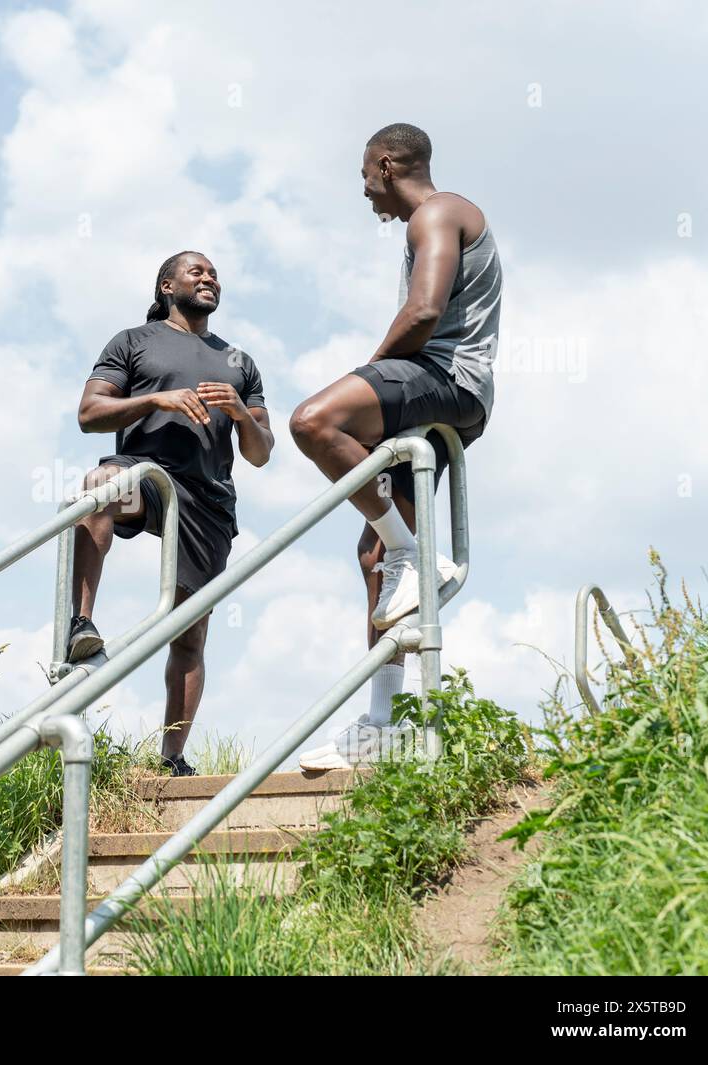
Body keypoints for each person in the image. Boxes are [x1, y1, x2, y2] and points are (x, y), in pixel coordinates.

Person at [293, 123, 502, 770]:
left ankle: (416, 552)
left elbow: (422, 313)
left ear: (387, 164)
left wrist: (369, 373)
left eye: (365, 176)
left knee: (314, 421)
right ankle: (381, 724)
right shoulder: (433, 220)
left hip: (447, 381)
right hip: (442, 392)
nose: (364, 191)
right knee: (374, 553)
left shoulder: (439, 213)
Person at [69, 251, 273, 776]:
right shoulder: (132, 341)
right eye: (196, 272)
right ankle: (81, 622)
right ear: (166, 286)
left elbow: (261, 451)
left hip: (207, 499)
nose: (209, 278)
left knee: (190, 634)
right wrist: (155, 401)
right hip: (146, 472)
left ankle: (172, 759)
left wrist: (239, 412)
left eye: (214, 274)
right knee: (99, 485)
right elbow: (90, 414)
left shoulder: (239, 362)